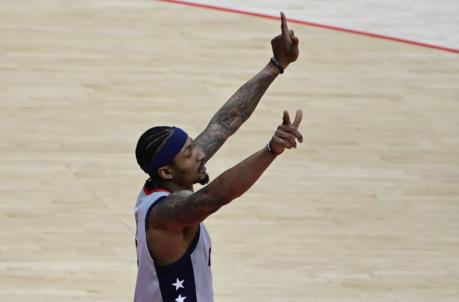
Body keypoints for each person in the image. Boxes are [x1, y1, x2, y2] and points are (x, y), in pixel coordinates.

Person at [133, 12, 302, 302]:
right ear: (167, 173)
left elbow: (223, 124)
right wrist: (270, 151)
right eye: (189, 152)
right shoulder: (165, 215)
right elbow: (214, 196)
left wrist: (276, 65)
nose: (201, 153)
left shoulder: (173, 176)